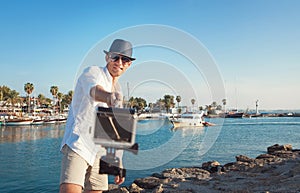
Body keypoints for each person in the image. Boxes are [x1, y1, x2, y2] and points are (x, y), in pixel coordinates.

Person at [59, 39, 135, 193]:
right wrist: (108, 97)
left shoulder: (119, 89)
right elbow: (94, 91)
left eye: (124, 59)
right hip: (78, 144)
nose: (119, 62)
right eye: (115, 57)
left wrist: (118, 161)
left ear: (129, 64)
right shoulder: (93, 72)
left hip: (99, 152)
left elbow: (112, 130)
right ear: (108, 57)